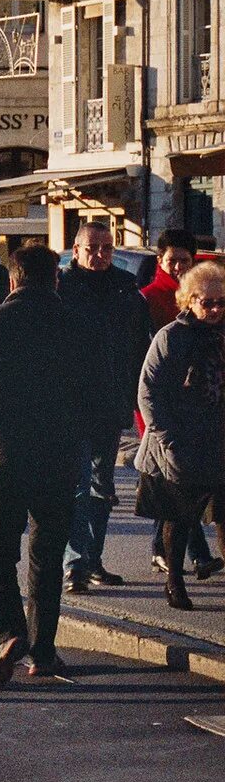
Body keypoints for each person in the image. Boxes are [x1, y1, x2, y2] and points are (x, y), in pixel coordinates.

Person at [0, 243, 100, 686]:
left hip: (4, 453)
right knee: (46, 554)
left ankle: (5, 635)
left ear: (13, 280)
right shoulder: (79, 323)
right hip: (60, 455)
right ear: (55, 278)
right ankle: (42, 651)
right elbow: (98, 389)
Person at [56, 220, 154, 593]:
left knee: (103, 487)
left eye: (106, 248)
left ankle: (93, 559)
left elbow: (139, 350)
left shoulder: (126, 289)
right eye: (92, 249)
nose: (99, 255)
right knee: (78, 486)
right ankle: (75, 564)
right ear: (77, 250)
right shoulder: (62, 289)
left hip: (110, 404)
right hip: (72, 405)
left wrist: (133, 396)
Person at [135, 260, 225, 610]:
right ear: (189, 301)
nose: (216, 309)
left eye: (222, 302)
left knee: (222, 513)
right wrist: (168, 440)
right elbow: (149, 392)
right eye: (208, 302)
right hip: (179, 440)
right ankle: (174, 581)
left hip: (217, 437)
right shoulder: (172, 336)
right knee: (179, 516)